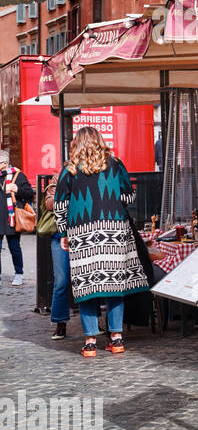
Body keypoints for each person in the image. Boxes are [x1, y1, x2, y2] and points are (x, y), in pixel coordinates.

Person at [54, 127, 149, 358]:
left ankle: (90, 343)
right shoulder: (115, 165)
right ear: (100, 141)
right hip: (114, 232)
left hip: (82, 232)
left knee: (87, 286)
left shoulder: (70, 170)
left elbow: (60, 205)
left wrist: (64, 232)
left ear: (76, 143)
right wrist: (112, 196)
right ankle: (116, 339)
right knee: (114, 285)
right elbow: (129, 196)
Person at [43, 182, 72, 339]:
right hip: (59, 236)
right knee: (61, 281)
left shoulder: (89, 173)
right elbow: (48, 204)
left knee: (88, 277)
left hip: (83, 234)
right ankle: (60, 322)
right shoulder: (59, 177)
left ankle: (94, 321)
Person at [0, 150, 34, 286]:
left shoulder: (18, 176)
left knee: (14, 247)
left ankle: (19, 273)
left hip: (11, 219)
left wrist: (17, 189)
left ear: (4, 163)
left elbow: (30, 194)